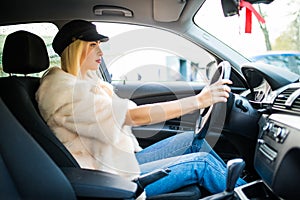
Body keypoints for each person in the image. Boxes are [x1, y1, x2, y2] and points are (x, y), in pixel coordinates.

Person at [36, 19, 246, 198]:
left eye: (99, 43)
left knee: (192, 140)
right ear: (75, 49)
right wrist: (199, 101)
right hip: (109, 178)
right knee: (202, 163)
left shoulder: (84, 83)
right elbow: (130, 116)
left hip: (117, 161)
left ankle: (240, 185)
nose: (100, 50)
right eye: (92, 45)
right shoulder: (63, 91)